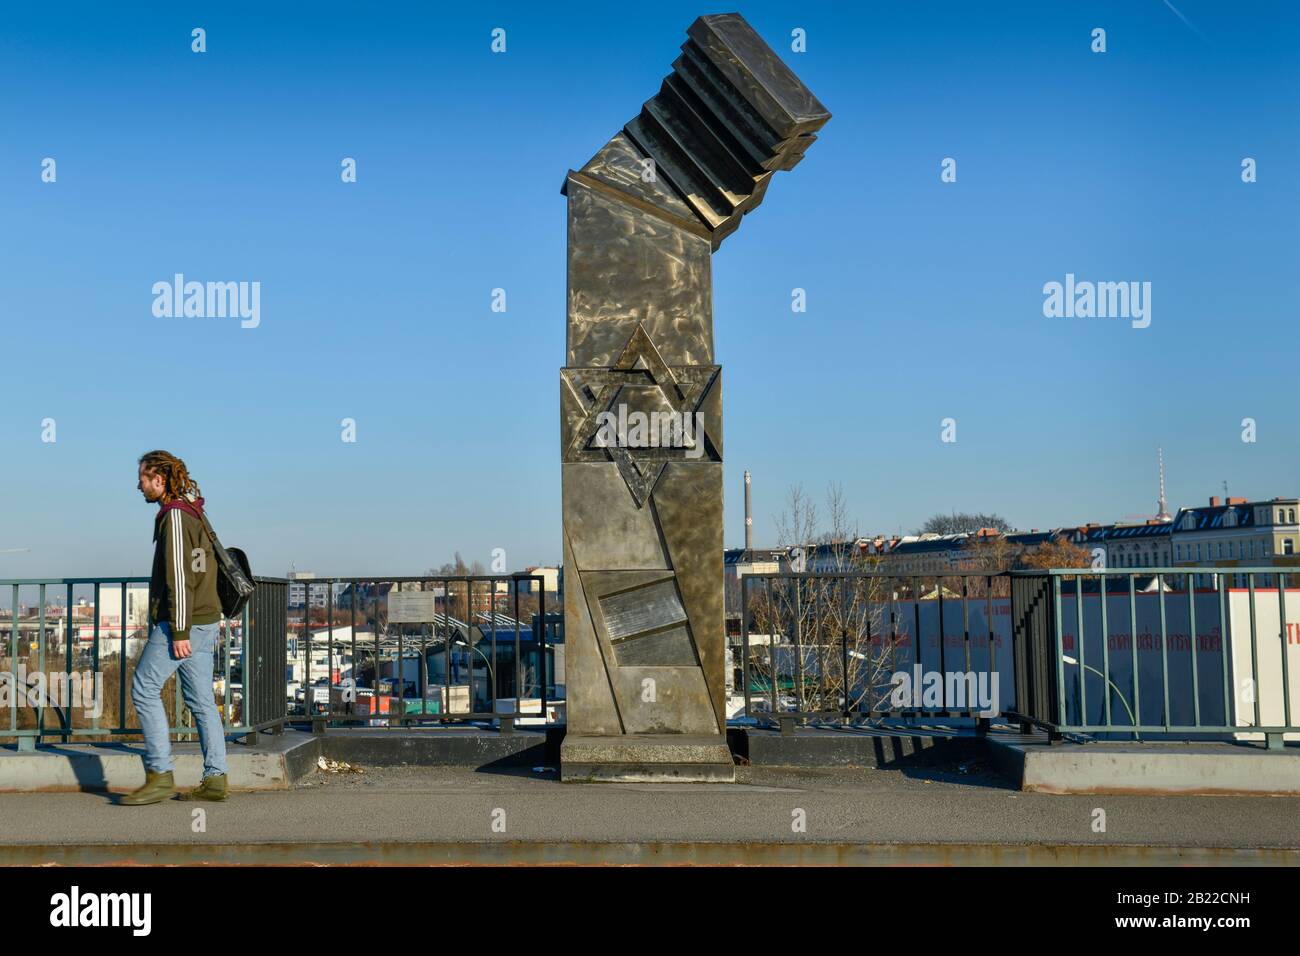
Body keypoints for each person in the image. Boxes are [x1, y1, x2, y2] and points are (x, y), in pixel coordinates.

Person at [121, 450, 229, 804]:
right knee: (201, 702)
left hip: (185, 622)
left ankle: (160, 774)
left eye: (142, 478)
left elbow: (180, 579)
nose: (138, 486)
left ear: (159, 479)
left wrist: (179, 632)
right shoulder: (193, 509)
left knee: (143, 688)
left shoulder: (176, 517)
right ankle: (215, 780)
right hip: (204, 619)